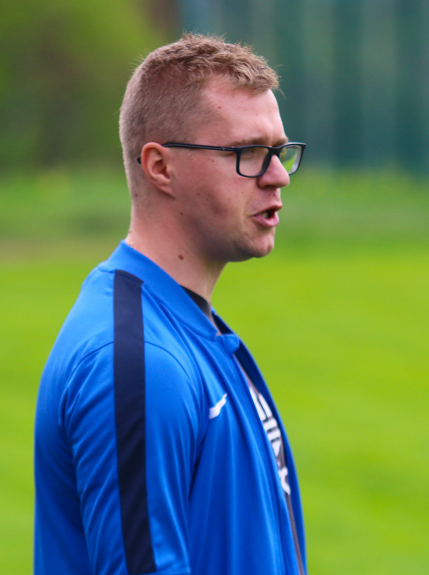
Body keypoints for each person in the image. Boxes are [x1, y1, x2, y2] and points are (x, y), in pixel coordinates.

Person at [34, 33, 307, 575]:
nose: (277, 176)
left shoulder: (188, 328)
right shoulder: (135, 361)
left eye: (279, 152)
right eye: (248, 153)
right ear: (160, 167)